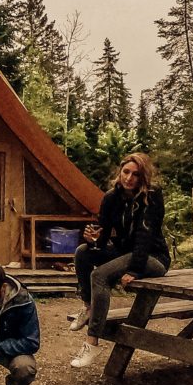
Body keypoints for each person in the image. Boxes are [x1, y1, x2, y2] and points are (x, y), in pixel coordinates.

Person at [68, 152, 171, 368]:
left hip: (152, 257)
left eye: (136, 174)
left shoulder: (152, 197)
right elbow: (104, 235)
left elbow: (144, 236)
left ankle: (92, 343)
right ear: (120, 171)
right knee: (82, 252)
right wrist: (93, 241)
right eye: (126, 172)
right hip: (125, 253)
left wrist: (134, 270)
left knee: (99, 275)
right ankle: (88, 307)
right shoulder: (111, 198)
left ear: (143, 177)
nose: (129, 178)